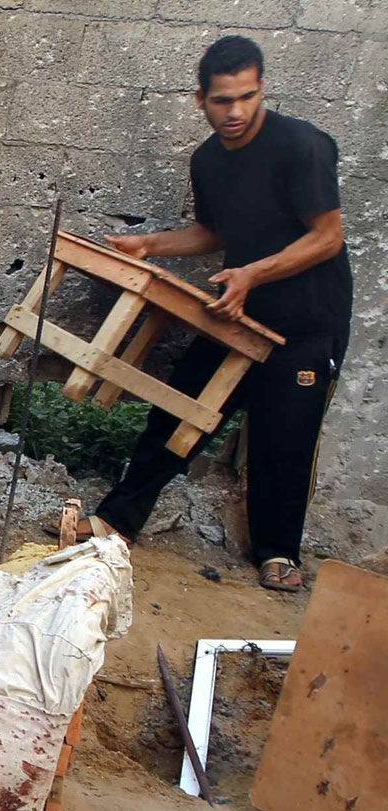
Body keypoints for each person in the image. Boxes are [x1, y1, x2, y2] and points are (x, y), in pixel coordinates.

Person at [71, 35, 351, 592]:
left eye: (247, 97)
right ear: (200, 98)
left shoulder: (303, 146)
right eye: (223, 100)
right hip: (235, 311)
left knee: (284, 437)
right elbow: (215, 232)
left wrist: (253, 273)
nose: (236, 111)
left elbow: (328, 237)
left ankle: (278, 553)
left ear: (262, 88)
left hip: (306, 322)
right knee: (177, 414)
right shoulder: (208, 160)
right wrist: (151, 244)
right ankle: (118, 520)